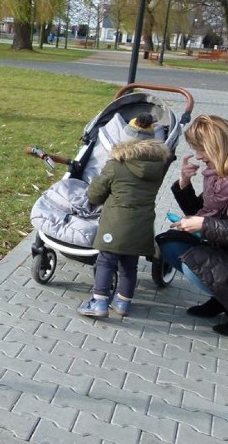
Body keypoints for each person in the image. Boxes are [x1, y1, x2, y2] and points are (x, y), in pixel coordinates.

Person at [157, 114, 228, 338]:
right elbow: (202, 210)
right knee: (171, 244)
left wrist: (204, 224)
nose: (199, 157)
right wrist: (183, 183)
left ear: (217, 146)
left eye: (201, 150)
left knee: (195, 264)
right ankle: (223, 299)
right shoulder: (225, 171)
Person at [78, 113, 170, 318]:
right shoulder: (158, 167)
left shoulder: (116, 164)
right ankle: (123, 303)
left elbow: (95, 193)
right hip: (142, 226)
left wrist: (95, 195)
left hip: (115, 224)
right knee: (130, 265)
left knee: (106, 262)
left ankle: (99, 303)